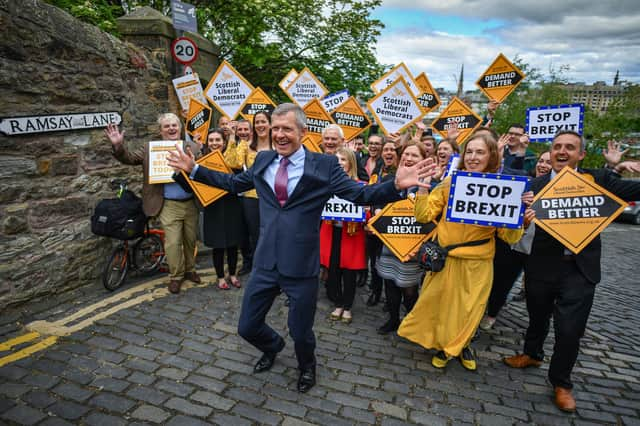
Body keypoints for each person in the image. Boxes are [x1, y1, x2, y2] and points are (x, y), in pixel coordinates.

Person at [167, 103, 433, 393]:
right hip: (266, 261)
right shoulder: (264, 159)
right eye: (275, 128)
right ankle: (272, 346)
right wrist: (193, 169)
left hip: (301, 264)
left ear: (303, 132)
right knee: (247, 327)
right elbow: (232, 183)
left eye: (287, 129)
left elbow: (360, 194)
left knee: (301, 331)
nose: (280, 134)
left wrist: (395, 184)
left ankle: (307, 367)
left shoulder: (324, 165)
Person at [503, 130, 640, 413]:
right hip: (541, 266)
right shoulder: (534, 185)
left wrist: (620, 167)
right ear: (551, 152)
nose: (562, 151)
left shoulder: (598, 180)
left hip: (579, 270)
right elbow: (511, 224)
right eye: (557, 147)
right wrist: (525, 220)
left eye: (569, 147)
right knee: (537, 316)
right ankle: (532, 353)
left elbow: (635, 191)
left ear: (581, 155)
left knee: (569, 330)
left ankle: (561, 383)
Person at [398, 134, 528, 371]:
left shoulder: (505, 188)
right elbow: (423, 216)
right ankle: (444, 347)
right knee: (440, 308)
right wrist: (423, 189)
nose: (473, 157)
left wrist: (519, 216)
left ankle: (460, 346)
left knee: (470, 310)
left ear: (491, 155)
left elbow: (509, 237)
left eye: (480, 152)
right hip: (446, 260)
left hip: (478, 263)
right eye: (469, 152)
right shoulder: (449, 183)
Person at [104, 114, 201, 294]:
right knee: (172, 243)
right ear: (160, 130)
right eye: (167, 126)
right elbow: (130, 158)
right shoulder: (150, 149)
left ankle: (190, 270)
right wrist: (118, 145)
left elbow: (204, 169)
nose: (171, 129)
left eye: (174, 125)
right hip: (168, 204)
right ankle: (176, 276)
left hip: (190, 202)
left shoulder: (192, 147)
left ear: (179, 128)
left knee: (190, 240)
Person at [480, 150, 552, 331]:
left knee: (538, 292)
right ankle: (491, 313)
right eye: (541, 161)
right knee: (501, 281)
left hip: (539, 248)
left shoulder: (562, 188)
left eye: (548, 162)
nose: (543, 165)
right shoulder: (524, 182)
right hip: (513, 244)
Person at [376, 142, 428, 334]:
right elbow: (378, 201)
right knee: (389, 283)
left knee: (409, 288)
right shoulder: (391, 180)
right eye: (406, 154)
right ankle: (393, 319)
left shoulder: (429, 185)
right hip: (389, 243)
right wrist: (377, 214)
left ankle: (411, 322)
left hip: (413, 248)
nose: (409, 158)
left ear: (423, 159)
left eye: (415, 155)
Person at [320, 147, 367, 324]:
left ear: (351, 163)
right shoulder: (326, 184)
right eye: (337, 159)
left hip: (352, 235)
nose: (339, 163)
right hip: (331, 233)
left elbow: (366, 212)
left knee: (349, 274)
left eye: (343, 160)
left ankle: (347, 307)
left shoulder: (359, 185)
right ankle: (337, 303)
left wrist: (365, 212)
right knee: (332, 272)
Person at [200, 128, 245, 289]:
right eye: (211, 140)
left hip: (231, 205)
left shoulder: (231, 159)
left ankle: (232, 274)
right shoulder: (202, 161)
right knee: (218, 245)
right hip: (213, 206)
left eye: (217, 140)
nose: (214, 143)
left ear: (224, 142)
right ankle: (220, 277)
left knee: (233, 244)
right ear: (207, 143)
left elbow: (239, 175)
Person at [233, 112, 273, 275]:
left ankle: (273, 266)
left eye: (263, 121)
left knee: (272, 233)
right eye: (257, 122)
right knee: (254, 234)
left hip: (273, 197)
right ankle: (257, 267)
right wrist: (231, 140)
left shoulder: (277, 144)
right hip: (251, 197)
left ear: (270, 124)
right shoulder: (246, 145)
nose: (260, 125)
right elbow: (234, 163)